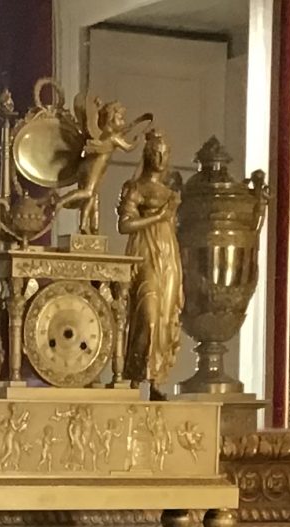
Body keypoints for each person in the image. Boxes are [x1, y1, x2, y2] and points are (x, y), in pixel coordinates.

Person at [117, 128, 183, 394]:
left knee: (166, 316)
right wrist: (158, 217)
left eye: (164, 153)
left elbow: (174, 228)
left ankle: (156, 380)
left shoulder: (170, 193)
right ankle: (135, 375)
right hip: (145, 251)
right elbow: (124, 225)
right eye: (155, 153)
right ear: (147, 154)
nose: (160, 158)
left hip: (169, 255)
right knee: (148, 315)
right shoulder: (135, 188)